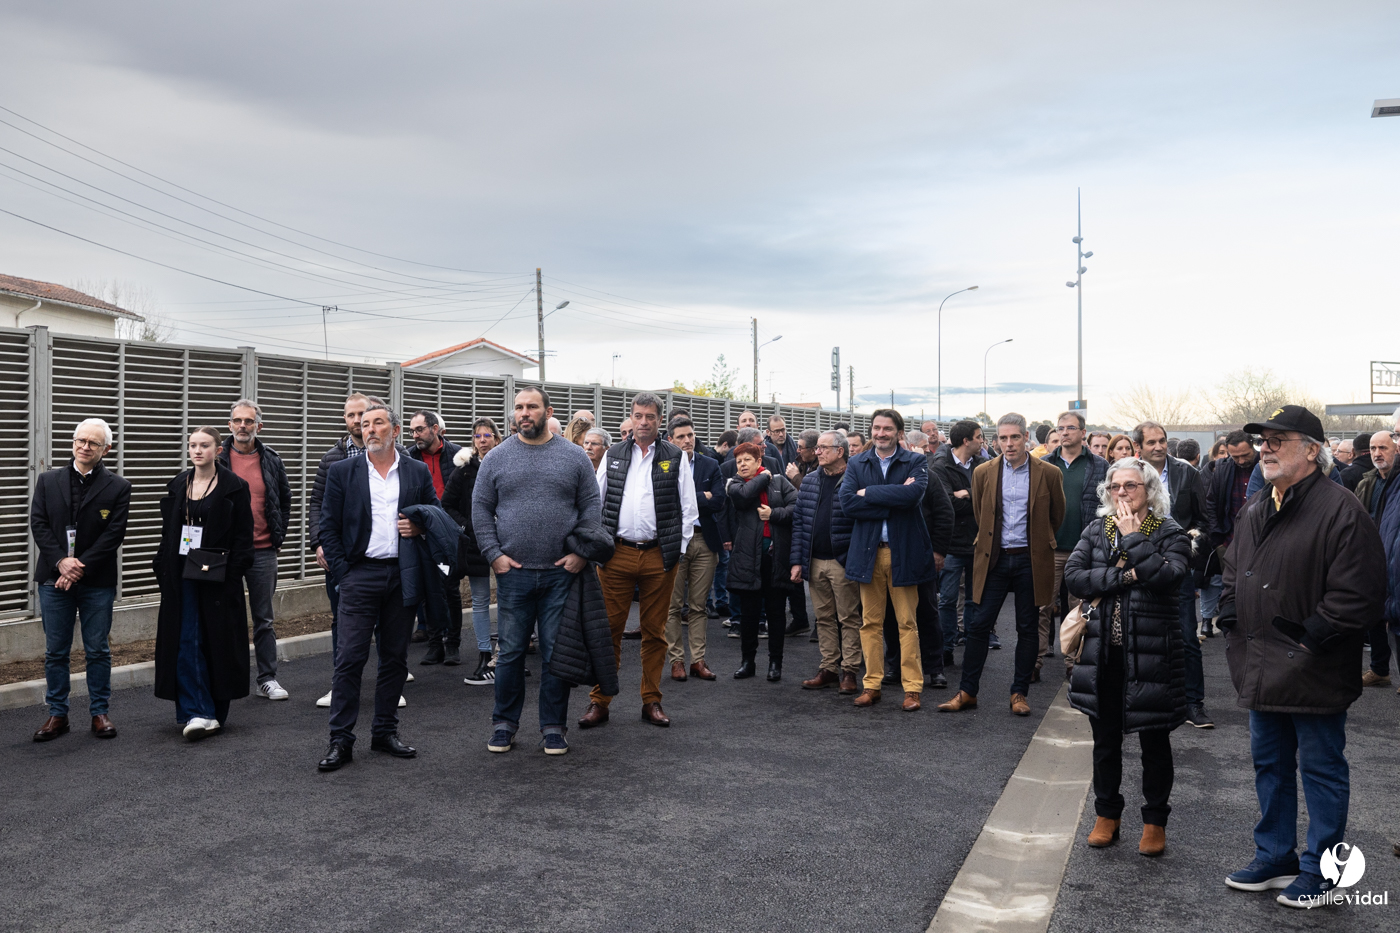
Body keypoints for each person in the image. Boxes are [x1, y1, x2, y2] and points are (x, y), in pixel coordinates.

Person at [1219, 405, 1385, 909]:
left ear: (1311, 450)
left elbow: (1358, 593)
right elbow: (1232, 569)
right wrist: (1230, 616)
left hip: (1312, 667)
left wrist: (1310, 640)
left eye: (1278, 439)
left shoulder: (1340, 509)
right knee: (1269, 764)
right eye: (1263, 440)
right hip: (1260, 664)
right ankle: (1275, 856)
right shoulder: (1256, 508)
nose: (1265, 447)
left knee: (1321, 770)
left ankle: (1324, 870)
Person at [1066, 456, 1191, 857]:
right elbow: (1074, 576)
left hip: (1152, 654)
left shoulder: (1169, 531)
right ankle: (1107, 815)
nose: (1122, 492)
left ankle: (1155, 822)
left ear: (1149, 491)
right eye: (1115, 486)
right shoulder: (1095, 529)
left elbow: (1169, 577)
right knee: (1104, 742)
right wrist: (1125, 576)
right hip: (1103, 654)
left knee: (1155, 743)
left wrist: (1134, 540)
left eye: (1131, 486)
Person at [473, 387, 601, 755]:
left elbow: (591, 506)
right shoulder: (496, 457)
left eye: (531, 407)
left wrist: (581, 554)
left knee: (554, 653)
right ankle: (504, 724)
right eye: (518, 408)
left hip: (562, 573)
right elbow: (481, 508)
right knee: (511, 652)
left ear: (548, 411)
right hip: (513, 574)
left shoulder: (573, 456)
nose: (523, 413)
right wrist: (493, 554)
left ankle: (553, 727)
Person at [315, 403, 441, 771]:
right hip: (359, 575)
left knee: (395, 659)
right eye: (364, 423)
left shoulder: (416, 471)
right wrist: (344, 573)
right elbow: (328, 526)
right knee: (350, 657)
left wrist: (419, 527)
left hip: (402, 574)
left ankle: (385, 732)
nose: (369, 429)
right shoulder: (342, 471)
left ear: (395, 431)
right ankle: (341, 739)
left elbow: (434, 512)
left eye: (378, 423)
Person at [580, 392, 699, 729]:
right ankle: (599, 701)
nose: (643, 422)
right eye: (638, 416)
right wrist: (597, 547)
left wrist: (677, 549)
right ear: (630, 418)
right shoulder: (613, 454)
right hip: (616, 555)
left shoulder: (675, 456)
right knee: (609, 631)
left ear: (659, 420)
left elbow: (688, 509)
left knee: (654, 632)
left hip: (659, 557)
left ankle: (652, 700)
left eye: (650, 416)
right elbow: (595, 502)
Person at [939, 413, 1065, 716]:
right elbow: (983, 513)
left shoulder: (1048, 473)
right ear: (997, 440)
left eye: (1015, 437)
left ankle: (1019, 693)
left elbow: (1056, 516)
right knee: (978, 625)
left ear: (1026, 438)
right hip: (994, 559)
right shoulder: (983, 472)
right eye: (1003, 438)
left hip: (1029, 560)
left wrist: (1037, 542)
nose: (1009, 444)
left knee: (1027, 627)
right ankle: (967, 691)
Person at [29, 418, 131, 742]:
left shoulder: (118, 487)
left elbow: (114, 535)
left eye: (93, 443)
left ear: (106, 449)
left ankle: (99, 712)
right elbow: (39, 523)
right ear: (73, 442)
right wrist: (61, 562)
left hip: (96, 581)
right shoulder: (47, 480)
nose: (85, 447)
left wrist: (78, 567)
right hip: (53, 578)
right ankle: (58, 714)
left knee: (98, 649)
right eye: (80, 440)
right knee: (55, 651)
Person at [152, 426, 255, 741]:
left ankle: (211, 712)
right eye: (193, 445)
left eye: (205, 445)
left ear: (218, 449)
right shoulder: (178, 484)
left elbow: (243, 538)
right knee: (185, 640)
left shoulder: (234, 487)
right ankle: (196, 711)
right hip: (181, 573)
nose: (197, 451)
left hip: (217, 577)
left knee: (215, 642)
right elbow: (168, 534)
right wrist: (162, 567)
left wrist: (232, 574)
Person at [838, 408, 936, 712]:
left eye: (887, 429)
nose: (881, 433)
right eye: (877, 428)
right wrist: (893, 499)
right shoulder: (857, 462)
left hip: (903, 553)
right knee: (870, 623)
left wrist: (870, 493)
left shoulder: (916, 461)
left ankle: (912, 688)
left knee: (907, 623)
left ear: (899, 432)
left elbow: (914, 497)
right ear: (871, 430)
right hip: (869, 553)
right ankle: (872, 685)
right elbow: (847, 503)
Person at [1134, 420, 1215, 728]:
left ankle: (1193, 703)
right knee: (1140, 637)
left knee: (1185, 637)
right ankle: (1145, 701)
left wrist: (1192, 538)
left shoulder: (1187, 474)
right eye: (1151, 441)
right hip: (1138, 563)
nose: (1158, 446)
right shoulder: (1129, 474)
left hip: (1176, 566)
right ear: (1139, 446)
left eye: (1162, 440)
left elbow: (1205, 520)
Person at [218, 400, 292, 700]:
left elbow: (284, 500)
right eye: (237, 421)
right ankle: (227, 679)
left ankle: (267, 679)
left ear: (258, 426)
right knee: (226, 619)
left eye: (249, 421)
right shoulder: (217, 458)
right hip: (226, 555)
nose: (243, 426)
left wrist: (277, 538)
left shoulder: (271, 459)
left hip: (263, 551)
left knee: (264, 619)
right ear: (230, 425)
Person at [309, 392, 370, 708]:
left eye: (363, 414)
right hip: (340, 555)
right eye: (351, 415)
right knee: (341, 620)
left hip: (379, 555)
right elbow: (316, 505)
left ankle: (391, 681)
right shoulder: (331, 458)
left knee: (386, 622)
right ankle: (341, 683)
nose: (357, 421)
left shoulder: (397, 455)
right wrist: (318, 542)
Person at [1039, 411, 1108, 683]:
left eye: (1070, 428)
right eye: (1061, 428)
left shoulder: (1100, 466)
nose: (1065, 432)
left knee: (1079, 609)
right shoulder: (1044, 464)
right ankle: (1035, 662)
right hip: (1050, 548)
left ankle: (1074, 662)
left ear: (1083, 432)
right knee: (1042, 606)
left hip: (1084, 548)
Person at [791, 431, 861, 693]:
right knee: (823, 618)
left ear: (840, 452)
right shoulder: (809, 481)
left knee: (849, 618)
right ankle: (829, 668)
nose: (816, 452)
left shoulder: (855, 479)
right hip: (815, 561)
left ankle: (850, 671)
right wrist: (797, 561)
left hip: (843, 561)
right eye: (817, 448)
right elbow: (799, 522)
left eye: (823, 448)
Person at [727, 441, 797, 680]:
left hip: (776, 558)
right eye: (738, 461)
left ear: (759, 461)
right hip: (748, 559)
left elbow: (796, 507)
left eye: (747, 460)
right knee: (749, 615)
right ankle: (748, 662)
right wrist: (764, 476)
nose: (742, 464)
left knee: (776, 614)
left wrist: (774, 514)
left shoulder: (779, 482)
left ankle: (775, 664)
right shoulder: (735, 484)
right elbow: (745, 497)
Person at [664, 417, 726, 682]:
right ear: (670, 440)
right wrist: (703, 496)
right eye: (681, 437)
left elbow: (720, 500)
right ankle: (676, 660)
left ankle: (698, 660)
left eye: (690, 435)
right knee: (672, 606)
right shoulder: (663, 465)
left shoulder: (710, 464)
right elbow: (665, 503)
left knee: (699, 607)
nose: (687, 440)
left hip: (704, 540)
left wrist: (691, 498)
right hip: (674, 541)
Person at [441, 417, 499, 686]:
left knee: (511, 602)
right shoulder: (464, 470)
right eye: (477, 436)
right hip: (474, 543)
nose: (482, 439)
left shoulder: (506, 463)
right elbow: (447, 504)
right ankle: (484, 656)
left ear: (497, 438)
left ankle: (507, 657)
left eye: (487, 434)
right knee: (479, 601)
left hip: (509, 544)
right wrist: (465, 525)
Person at [408, 410, 465, 665]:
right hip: (422, 532)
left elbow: (468, 494)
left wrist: (460, 526)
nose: (415, 435)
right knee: (429, 589)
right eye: (412, 431)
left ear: (434, 429)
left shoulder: (459, 455)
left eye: (419, 430)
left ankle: (452, 644)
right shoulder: (409, 457)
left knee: (450, 588)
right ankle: (435, 645)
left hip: (450, 532)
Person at [931, 420, 986, 665]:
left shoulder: (984, 465)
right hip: (950, 543)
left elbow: (990, 501)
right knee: (948, 599)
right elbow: (944, 504)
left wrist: (966, 494)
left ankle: (972, 644)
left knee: (976, 599)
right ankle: (946, 647)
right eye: (979, 436)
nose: (982, 441)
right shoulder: (940, 465)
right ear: (966, 440)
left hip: (977, 543)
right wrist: (965, 498)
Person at [1202, 430, 1259, 639]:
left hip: (1261, 539)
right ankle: (1236, 631)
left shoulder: (1265, 464)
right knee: (1232, 588)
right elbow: (1211, 502)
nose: (1242, 460)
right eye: (1236, 457)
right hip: (1229, 539)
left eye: (1246, 455)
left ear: (1253, 447)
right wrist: (1218, 539)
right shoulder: (1223, 468)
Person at [1353, 429, 1397, 687]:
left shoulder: (1397, 481)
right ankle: (1380, 670)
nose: (1377, 453)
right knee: (1375, 617)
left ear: (1396, 449)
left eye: (1383, 448)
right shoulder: (1367, 481)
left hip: (1395, 558)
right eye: (1373, 449)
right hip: (1372, 558)